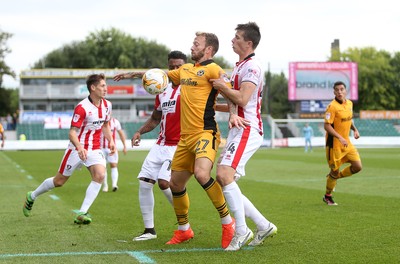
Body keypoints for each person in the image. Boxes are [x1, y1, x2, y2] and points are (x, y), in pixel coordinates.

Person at [114, 32, 235, 249]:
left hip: (205, 132)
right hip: (185, 138)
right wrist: (133, 74)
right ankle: (184, 229)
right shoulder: (185, 70)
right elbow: (159, 76)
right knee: (174, 184)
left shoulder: (214, 69)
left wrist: (233, 113)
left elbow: (229, 92)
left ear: (208, 49)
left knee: (201, 174)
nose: (192, 46)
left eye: (196, 43)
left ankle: (228, 223)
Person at [211, 22, 277, 251]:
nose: (232, 40)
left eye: (237, 37)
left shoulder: (252, 67)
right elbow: (233, 101)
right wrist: (209, 106)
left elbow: (242, 99)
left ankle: (242, 230)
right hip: (238, 129)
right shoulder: (239, 67)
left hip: (247, 129)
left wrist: (221, 85)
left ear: (248, 43)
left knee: (224, 175)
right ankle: (262, 224)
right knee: (225, 179)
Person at [23, 73, 115, 224]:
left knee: (99, 175)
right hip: (76, 148)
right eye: (103, 86)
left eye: (106, 85)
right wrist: (79, 148)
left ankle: (82, 212)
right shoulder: (82, 107)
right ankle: (32, 196)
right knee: (59, 181)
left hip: (94, 148)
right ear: (93, 88)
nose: (106, 88)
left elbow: (105, 125)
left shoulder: (107, 105)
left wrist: (110, 141)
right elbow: (72, 132)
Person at [115, 50, 187, 241]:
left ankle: (184, 223)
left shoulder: (190, 88)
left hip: (179, 145)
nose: (174, 69)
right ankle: (149, 231)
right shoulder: (162, 90)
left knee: (165, 182)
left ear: (186, 67)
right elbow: (155, 119)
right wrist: (139, 131)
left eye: (179, 66)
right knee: (144, 183)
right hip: (160, 144)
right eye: (171, 66)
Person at [323, 81, 362, 205]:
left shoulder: (349, 103)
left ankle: (333, 177)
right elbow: (327, 126)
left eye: (342, 89)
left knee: (357, 167)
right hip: (334, 146)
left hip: (347, 143)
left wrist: (355, 129)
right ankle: (328, 196)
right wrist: (340, 137)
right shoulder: (332, 107)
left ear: (345, 90)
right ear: (334, 92)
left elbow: (348, 120)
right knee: (334, 171)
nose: (339, 92)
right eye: (337, 90)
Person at [101, 117, 127, 192]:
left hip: (112, 148)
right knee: (102, 167)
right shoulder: (99, 120)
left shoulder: (115, 122)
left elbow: (121, 133)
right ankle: (105, 186)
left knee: (114, 165)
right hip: (101, 148)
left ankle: (114, 184)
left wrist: (124, 146)